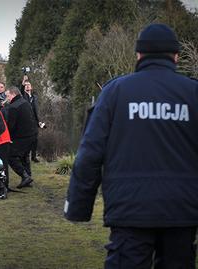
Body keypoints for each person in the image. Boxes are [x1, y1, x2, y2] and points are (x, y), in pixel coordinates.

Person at [64, 23, 198, 268]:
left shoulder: (115, 92)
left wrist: (78, 207)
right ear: (176, 56)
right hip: (182, 211)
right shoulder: (193, 94)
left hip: (129, 211)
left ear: (138, 55)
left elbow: (90, 153)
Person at [5, 86, 37, 188]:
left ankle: (25, 176)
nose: (7, 98)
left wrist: (7, 137)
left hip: (22, 136)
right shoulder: (25, 102)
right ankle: (28, 178)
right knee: (24, 156)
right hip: (32, 134)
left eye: (8, 96)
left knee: (11, 155)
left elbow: (11, 126)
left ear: (13, 94)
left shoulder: (13, 107)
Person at [20, 77, 40, 162]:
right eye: (26, 85)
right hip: (26, 121)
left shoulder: (34, 97)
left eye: (29, 85)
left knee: (35, 139)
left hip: (34, 121)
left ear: (31, 87)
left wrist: (39, 121)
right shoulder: (23, 96)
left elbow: (36, 110)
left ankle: (34, 156)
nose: (27, 86)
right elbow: (21, 90)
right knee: (27, 139)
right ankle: (26, 156)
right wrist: (23, 82)